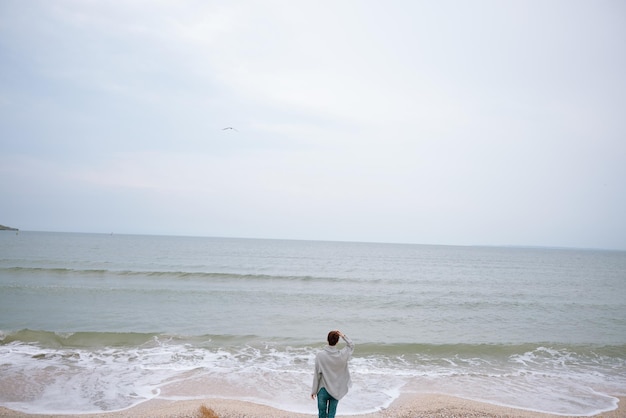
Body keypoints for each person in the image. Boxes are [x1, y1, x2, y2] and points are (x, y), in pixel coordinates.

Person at [311, 330, 354, 418]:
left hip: (322, 389)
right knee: (331, 415)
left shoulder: (320, 355)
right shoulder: (342, 355)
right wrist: (343, 336)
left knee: (322, 414)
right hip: (336, 390)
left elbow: (317, 374)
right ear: (337, 341)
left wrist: (314, 391)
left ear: (327, 340)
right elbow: (351, 345)